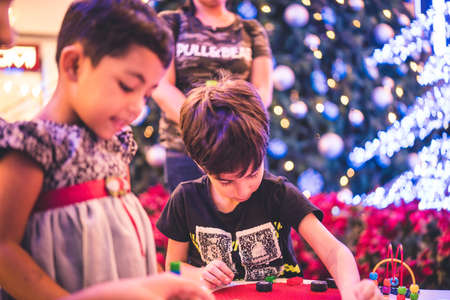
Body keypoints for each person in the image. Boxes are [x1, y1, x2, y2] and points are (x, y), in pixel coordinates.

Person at [0, 1, 212, 299]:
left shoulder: (118, 143)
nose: (138, 108)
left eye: (148, 94)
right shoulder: (33, 147)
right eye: (127, 86)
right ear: (74, 65)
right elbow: (4, 249)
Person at [156, 77, 383, 300]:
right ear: (200, 164)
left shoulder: (278, 194)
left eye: (253, 173)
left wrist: (352, 293)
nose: (244, 190)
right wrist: (200, 274)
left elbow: (335, 253)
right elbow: (174, 267)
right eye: (226, 181)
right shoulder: (185, 199)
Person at [151, 0, 273, 192]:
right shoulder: (170, 22)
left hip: (244, 149)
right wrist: (204, 125)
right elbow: (161, 85)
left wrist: (231, 127)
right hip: (186, 151)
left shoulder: (251, 29)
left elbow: (262, 90)